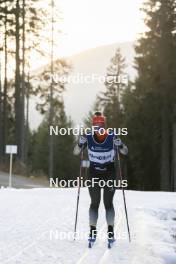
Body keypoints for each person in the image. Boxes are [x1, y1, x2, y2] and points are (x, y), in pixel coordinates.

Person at [73, 111, 128, 243]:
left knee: (108, 203)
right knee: (95, 202)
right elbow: (75, 152)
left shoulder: (112, 136)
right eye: (96, 127)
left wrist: (120, 144)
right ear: (93, 127)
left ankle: (110, 232)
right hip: (93, 173)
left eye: (101, 127)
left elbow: (125, 151)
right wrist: (80, 144)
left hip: (109, 172)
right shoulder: (88, 136)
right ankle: (92, 231)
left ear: (105, 126)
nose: (98, 130)